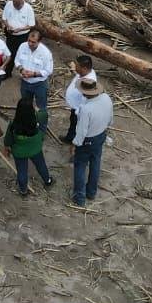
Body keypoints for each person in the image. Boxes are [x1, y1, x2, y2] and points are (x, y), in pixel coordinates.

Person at [70, 76, 113, 207]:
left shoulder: (86, 109)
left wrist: (75, 143)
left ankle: (79, 197)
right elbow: (111, 117)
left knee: (80, 166)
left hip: (87, 140)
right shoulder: (106, 98)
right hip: (101, 135)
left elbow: (82, 131)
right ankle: (91, 192)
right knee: (95, 162)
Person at [3, 96, 54, 197]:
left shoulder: (14, 124)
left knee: (22, 171)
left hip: (19, 152)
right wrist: (37, 110)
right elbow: (45, 115)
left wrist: (7, 148)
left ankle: (23, 190)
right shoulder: (37, 118)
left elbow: (8, 140)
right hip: (35, 148)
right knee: (41, 165)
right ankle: (47, 180)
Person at [13, 28, 54, 111]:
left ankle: (42, 124)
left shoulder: (45, 53)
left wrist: (34, 74)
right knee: (26, 105)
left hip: (40, 84)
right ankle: (28, 122)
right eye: (29, 40)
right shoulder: (22, 46)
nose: (30, 43)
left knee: (41, 107)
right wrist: (21, 70)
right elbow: (16, 61)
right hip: (25, 82)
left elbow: (49, 70)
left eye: (33, 42)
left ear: (39, 42)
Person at [61, 55, 97, 144]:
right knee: (73, 124)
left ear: (84, 68)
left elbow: (84, 102)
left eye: (77, 66)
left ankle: (74, 147)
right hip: (75, 108)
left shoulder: (88, 82)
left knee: (77, 128)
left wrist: (77, 113)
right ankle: (70, 138)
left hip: (79, 111)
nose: (75, 67)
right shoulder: (84, 72)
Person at [0, 0, 35, 77]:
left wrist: (20, 29)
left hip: (23, 36)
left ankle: (24, 73)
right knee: (10, 53)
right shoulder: (9, 4)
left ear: (23, 2)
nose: (16, 8)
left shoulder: (28, 9)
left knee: (23, 54)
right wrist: (8, 25)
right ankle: (8, 73)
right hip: (11, 34)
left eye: (18, 6)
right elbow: (4, 18)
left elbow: (31, 25)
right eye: (15, 6)